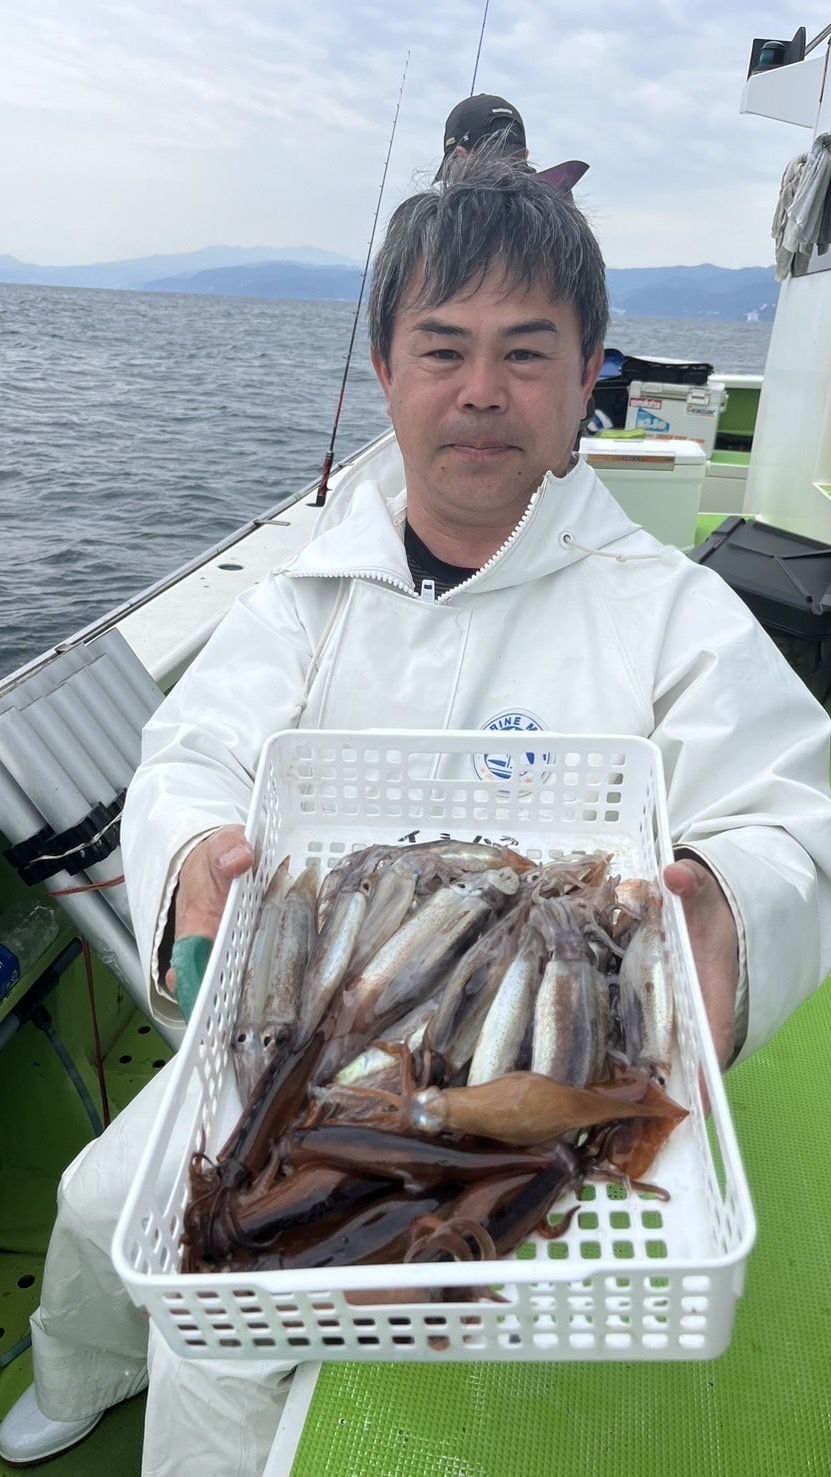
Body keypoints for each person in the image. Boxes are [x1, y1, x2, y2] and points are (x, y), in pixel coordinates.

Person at [2, 154, 831, 1475]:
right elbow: (191, 759)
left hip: (536, 1068)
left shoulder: (669, 609)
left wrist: (731, 904)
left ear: (587, 376)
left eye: (525, 352)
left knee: (250, 1339)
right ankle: (82, 1368)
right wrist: (194, 859)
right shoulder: (301, 599)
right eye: (442, 349)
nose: (480, 390)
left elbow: (791, 814)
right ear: (386, 372)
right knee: (105, 1200)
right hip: (306, 1032)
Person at [435, 91, 589, 198]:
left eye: (449, 172)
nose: (449, 183)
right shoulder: (563, 211)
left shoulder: (451, 225)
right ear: (525, 156)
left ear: (460, 156)